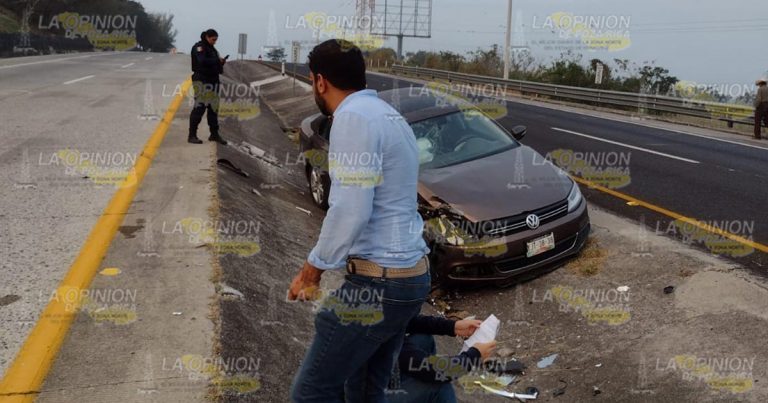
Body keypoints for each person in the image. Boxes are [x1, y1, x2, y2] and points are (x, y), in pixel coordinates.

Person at [288, 38, 431, 403]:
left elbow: (351, 208)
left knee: (312, 393)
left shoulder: (351, 118)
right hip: (410, 278)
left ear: (320, 82)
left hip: (379, 286)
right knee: (366, 390)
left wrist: (311, 271)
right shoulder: (388, 115)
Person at [388, 315, 497, 403]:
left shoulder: (383, 309)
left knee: (424, 339)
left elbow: (406, 321)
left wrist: (453, 326)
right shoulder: (382, 335)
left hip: (381, 371)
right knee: (438, 385)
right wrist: (474, 355)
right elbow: (435, 371)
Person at [188, 29, 227, 145]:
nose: (215, 42)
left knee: (213, 108)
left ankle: (214, 134)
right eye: (213, 39)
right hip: (202, 80)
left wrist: (221, 63)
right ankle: (192, 135)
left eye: (216, 40)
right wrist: (216, 60)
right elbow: (202, 61)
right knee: (199, 107)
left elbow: (214, 64)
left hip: (213, 80)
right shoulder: (199, 47)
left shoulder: (212, 49)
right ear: (207, 37)